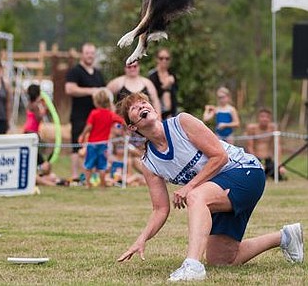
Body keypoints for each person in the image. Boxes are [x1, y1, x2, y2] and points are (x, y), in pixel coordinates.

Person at [117, 92, 303, 282]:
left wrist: (188, 187)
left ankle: (192, 265)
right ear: (132, 126)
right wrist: (142, 238)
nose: (141, 106)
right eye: (134, 107)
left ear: (154, 109)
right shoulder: (149, 163)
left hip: (246, 171)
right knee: (221, 259)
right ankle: (285, 237)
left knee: (195, 196)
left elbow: (220, 156)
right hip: (215, 189)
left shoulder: (182, 122)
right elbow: (160, 209)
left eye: (144, 102)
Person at [65, 43, 105, 180]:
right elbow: (69, 89)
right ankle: (76, 176)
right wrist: (91, 91)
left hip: (96, 118)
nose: (90, 56)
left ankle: (89, 176)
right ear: (81, 54)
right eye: (87, 53)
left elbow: (104, 92)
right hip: (79, 116)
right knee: (77, 145)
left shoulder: (98, 73)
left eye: (92, 53)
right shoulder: (75, 71)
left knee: (93, 147)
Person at [79, 88, 125, 188]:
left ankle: (87, 184)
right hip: (104, 144)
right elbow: (122, 121)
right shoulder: (110, 114)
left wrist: (82, 135)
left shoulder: (94, 113)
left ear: (96, 101)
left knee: (88, 164)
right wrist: (126, 129)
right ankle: (103, 184)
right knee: (102, 165)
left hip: (92, 144)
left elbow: (89, 127)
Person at [245, 108, 286, 180]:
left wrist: (280, 164)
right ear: (258, 118)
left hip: (268, 159)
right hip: (256, 159)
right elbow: (249, 146)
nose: (264, 119)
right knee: (254, 178)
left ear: (270, 119)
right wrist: (256, 162)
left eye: (267, 117)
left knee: (279, 177)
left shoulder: (273, 128)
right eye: (262, 116)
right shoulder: (252, 128)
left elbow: (277, 146)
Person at [148, 48, 178, 119]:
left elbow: (175, 93)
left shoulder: (172, 74)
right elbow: (151, 96)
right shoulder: (152, 75)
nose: (164, 61)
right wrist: (165, 86)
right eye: (161, 58)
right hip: (158, 114)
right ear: (157, 59)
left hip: (172, 113)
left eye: (167, 58)